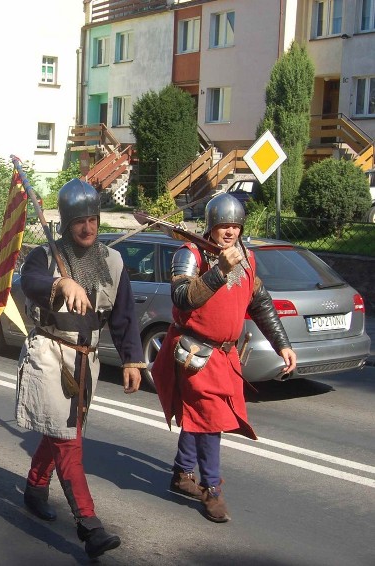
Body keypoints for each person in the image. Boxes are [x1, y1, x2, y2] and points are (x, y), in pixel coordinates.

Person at [16, 179, 143, 561]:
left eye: (93, 220)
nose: (87, 228)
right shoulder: (45, 257)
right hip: (51, 354)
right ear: (67, 224)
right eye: (79, 222)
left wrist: (133, 359)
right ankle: (89, 524)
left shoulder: (113, 262)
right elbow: (29, 281)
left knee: (61, 430)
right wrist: (61, 281)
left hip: (86, 360)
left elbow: (123, 317)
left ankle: (36, 489)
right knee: (68, 441)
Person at [151, 193, 296, 523]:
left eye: (235, 226)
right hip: (195, 351)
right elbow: (183, 297)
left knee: (200, 415)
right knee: (210, 419)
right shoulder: (191, 253)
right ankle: (212, 488)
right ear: (211, 226)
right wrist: (218, 271)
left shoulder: (246, 258)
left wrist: (282, 344)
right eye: (223, 226)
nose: (229, 232)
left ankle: (181, 471)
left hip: (225, 355)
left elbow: (259, 303)